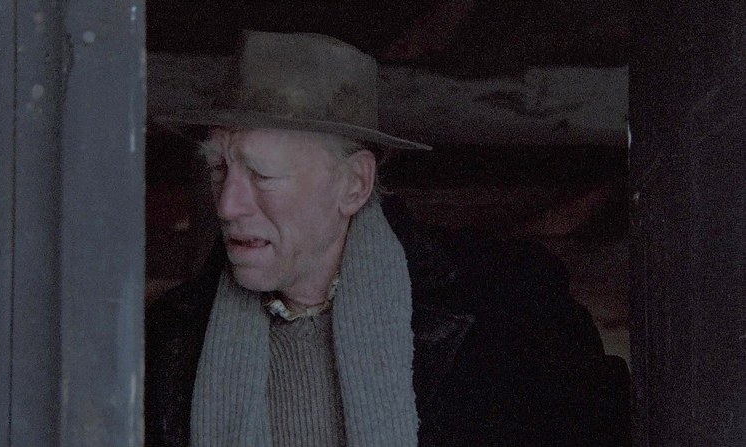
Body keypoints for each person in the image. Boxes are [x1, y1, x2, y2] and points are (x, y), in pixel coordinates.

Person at [145, 30, 627, 447]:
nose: (227, 205)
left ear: (354, 184)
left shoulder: (507, 304)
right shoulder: (170, 339)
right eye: (219, 169)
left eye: (262, 175)